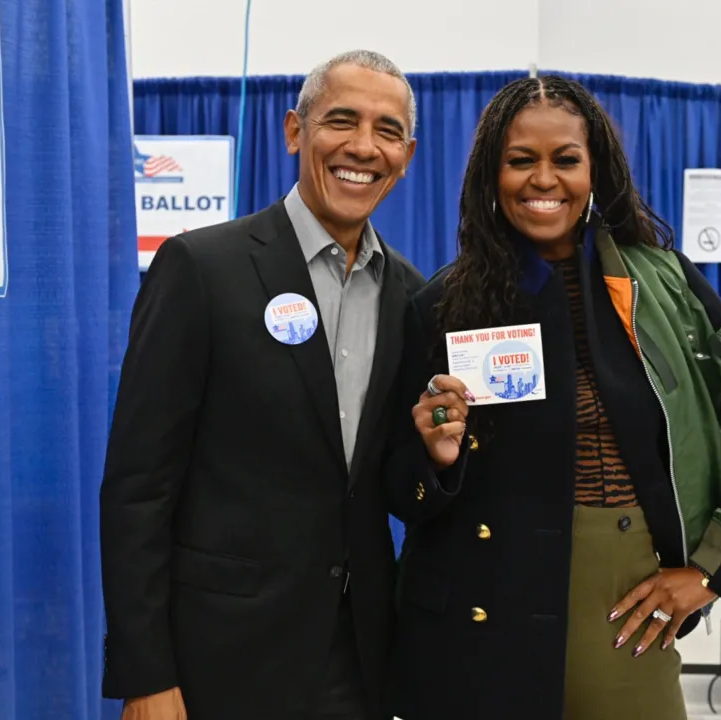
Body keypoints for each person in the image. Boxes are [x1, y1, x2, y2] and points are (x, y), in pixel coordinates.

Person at [383, 76, 721, 720]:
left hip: (621, 599)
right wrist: (438, 458)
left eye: (565, 160)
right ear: (489, 176)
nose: (543, 179)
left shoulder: (664, 284)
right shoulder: (439, 304)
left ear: (596, 168)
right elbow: (400, 488)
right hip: (477, 607)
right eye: (521, 160)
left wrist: (712, 569)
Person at [100, 50, 423, 720]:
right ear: (293, 131)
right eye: (342, 120)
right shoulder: (201, 268)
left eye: (387, 131)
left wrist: (437, 457)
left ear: (408, 154)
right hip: (216, 660)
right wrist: (146, 672)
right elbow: (138, 486)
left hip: (355, 663)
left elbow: (386, 479)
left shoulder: (411, 296)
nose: (363, 147)